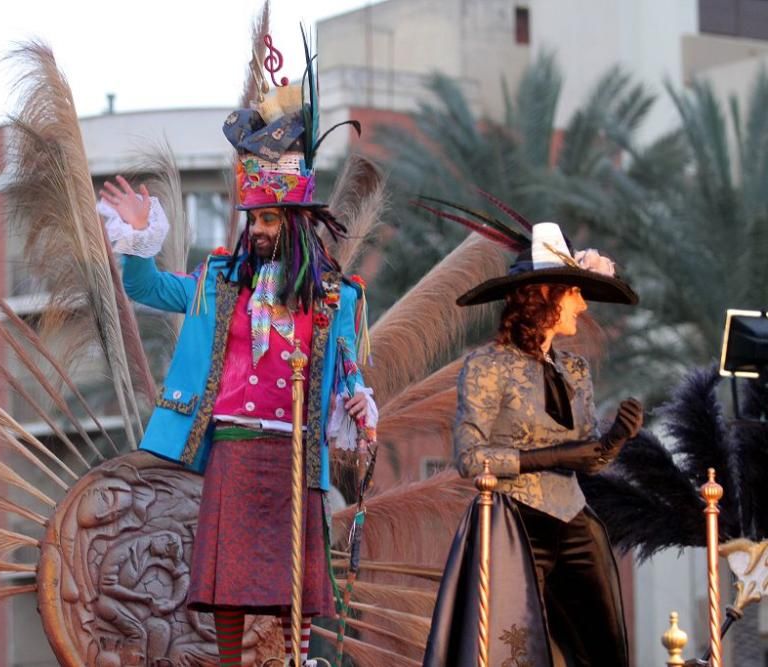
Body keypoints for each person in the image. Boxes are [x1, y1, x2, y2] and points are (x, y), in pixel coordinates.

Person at [97, 40, 378, 667]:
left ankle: (296, 662)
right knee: (226, 588)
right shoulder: (217, 283)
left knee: (294, 588)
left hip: (296, 451)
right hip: (231, 447)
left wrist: (360, 406)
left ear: (298, 223)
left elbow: (349, 376)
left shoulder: (338, 298)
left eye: (271, 221)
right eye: (253, 220)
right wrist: (140, 237)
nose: (258, 231)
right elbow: (143, 288)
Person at [422, 220, 643, 666]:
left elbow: (589, 458)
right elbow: (470, 457)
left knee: (604, 650)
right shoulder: (488, 366)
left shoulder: (576, 370)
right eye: (575, 292)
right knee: (511, 650)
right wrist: (555, 456)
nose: (582, 305)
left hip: (575, 519)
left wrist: (618, 437)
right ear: (545, 295)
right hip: (513, 521)